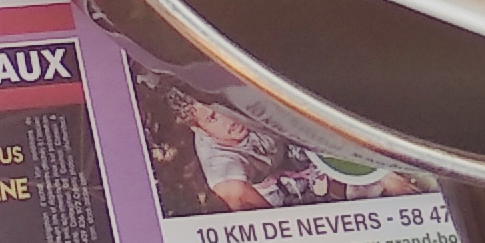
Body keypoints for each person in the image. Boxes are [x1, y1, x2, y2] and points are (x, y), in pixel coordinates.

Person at [164, 89, 419, 211]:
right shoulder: (219, 163)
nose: (227, 119)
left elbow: (317, 122)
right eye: (211, 118)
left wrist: (380, 173)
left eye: (220, 108)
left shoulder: (244, 98)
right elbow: (237, 195)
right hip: (277, 184)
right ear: (200, 130)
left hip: (302, 145)